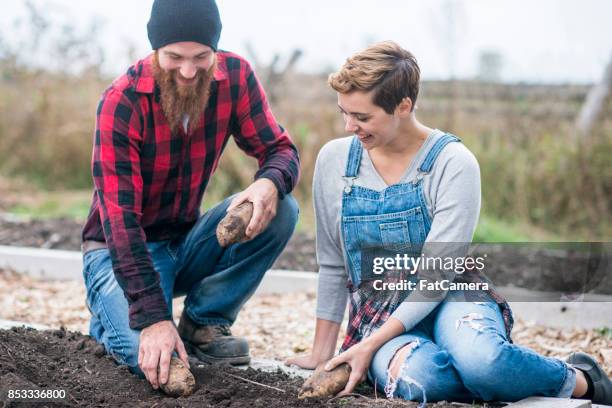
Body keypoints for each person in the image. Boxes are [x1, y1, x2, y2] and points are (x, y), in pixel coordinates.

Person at [286, 41, 611, 405]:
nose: (349, 126)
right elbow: (332, 263)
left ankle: (579, 378)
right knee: (423, 380)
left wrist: (370, 348)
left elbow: (435, 278)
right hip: (380, 311)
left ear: (403, 106)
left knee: (483, 362)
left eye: (362, 118)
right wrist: (322, 353)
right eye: (343, 113)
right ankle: (491, 372)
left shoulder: (452, 163)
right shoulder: (335, 160)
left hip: (451, 295)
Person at [81, 0, 299, 392]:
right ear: (154, 51)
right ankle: (112, 315)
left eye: (201, 56)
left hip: (185, 243)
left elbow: (281, 151)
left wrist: (268, 182)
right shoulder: (122, 100)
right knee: (158, 364)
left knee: (282, 206)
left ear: (215, 50)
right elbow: (120, 222)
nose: (188, 70)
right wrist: (152, 319)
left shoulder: (235, 77)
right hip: (122, 250)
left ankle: (203, 320)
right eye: (174, 57)